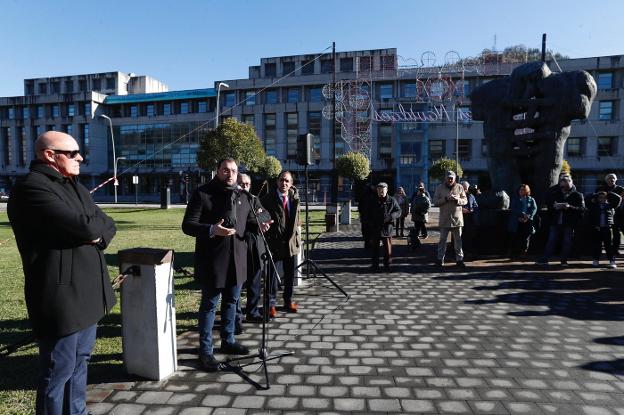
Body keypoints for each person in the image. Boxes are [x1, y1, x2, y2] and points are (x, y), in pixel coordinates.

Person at [8, 131, 117, 415]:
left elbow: (106, 225)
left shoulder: (74, 185)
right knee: (57, 374)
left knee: (80, 364)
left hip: (88, 296)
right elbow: (90, 227)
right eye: (72, 153)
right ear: (49, 155)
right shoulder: (31, 189)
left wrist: (94, 231)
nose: (80, 158)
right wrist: (92, 229)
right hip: (61, 299)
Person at [182, 158, 273, 372]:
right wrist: (212, 230)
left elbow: (259, 215)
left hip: (237, 260)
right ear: (217, 171)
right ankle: (205, 351)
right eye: (225, 170)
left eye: (233, 171)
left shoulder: (244, 196)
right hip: (213, 260)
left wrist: (262, 224)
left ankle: (228, 340)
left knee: (232, 302)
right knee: (210, 305)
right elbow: (188, 225)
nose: (230, 174)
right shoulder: (203, 193)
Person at [260, 171, 302, 317]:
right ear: (277, 181)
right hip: (274, 243)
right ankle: (270, 304)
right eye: (281, 180)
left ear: (291, 184)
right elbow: (262, 218)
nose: (283, 183)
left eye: (287, 181)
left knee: (290, 274)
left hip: (291, 243)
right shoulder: (267, 199)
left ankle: (288, 301)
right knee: (271, 276)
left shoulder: (295, 198)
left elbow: (296, 218)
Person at [235, 174, 271, 327]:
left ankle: (253, 311)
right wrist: (255, 218)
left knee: (255, 280)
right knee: (237, 283)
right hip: (239, 246)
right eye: (242, 183)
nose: (245, 187)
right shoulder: (233, 199)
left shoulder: (254, 199)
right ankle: (235, 318)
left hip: (255, 246)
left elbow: (266, 215)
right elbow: (239, 220)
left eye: (248, 184)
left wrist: (259, 218)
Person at [536, 174, 585, 266]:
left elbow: (582, 209)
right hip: (555, 221)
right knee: (551, 240)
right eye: (563, 182)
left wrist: (569, 207)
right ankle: (545, 259)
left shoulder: (578, 195)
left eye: (568, 182)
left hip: (569, 223)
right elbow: (548, 205)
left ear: (571, 182)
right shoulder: (554, 193)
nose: (565, 184)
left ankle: (564, 260)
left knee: (567, 241)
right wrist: (554, 206)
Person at [433, 171, 468, 267]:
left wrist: (458, 199)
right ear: (445, 178)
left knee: (458, 241)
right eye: (448, 178)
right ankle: (440, 259)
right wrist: (445, 199)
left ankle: (459, 260)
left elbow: (465, 200)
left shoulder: (460, 187)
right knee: (442, 241)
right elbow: (435, 202)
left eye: (452, 178)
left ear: (455, 178)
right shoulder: (439, 188)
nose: (450, 180)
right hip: (444, 219)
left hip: (457, 220)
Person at [365, 182, 401, 271]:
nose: (380, 192)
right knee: (375, 248)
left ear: (387, 190)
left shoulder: (392, 200)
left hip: (387, 228)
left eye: (382, 190)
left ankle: (387, 265)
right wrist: (370, 223)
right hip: (375, 227)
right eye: (378, 190)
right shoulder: (372, 200)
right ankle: (375, 265)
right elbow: (367, 213)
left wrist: (391, 216)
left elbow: (398, 211)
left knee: (387, 249)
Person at [586, 190, 621, 268]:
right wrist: (595, 194)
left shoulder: (610, 206)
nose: (602, 199)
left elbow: (618, 198)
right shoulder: (593, 206)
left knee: (608, 245)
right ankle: (596, 260)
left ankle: (612, 260)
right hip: (597, 228)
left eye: (604, 198)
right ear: (597, 198)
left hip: (607, 228)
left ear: (606, 198)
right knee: (597, 245)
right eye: (600, 198)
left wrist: (609, 193)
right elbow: (587, 199)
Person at [507, 184, 538, 257]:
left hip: (527, 221)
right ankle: (511, 251)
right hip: (517, 220)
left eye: (523, 190)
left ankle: (524, 252)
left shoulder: (531, 199)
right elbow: (513, 209)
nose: (521, 191)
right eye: (520, 190)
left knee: (526, 237)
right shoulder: (515, 199)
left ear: (527, 191)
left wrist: (528, 216)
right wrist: (521, 214)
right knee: (514, 236)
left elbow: (534, 208)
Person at [597, 173, 624, 255]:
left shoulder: (621, 189)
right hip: (605, 214)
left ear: (616, 180)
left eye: (613, 178)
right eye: (609, 178)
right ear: (606, 180)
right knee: (604, 233)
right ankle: (602, 250)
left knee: (617, 232)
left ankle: (615, 249)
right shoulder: (601, 189)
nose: (611, 180)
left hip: (619, 213)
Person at [460, 181, 479, 259]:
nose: (464, 190)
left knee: (469, 236)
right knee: (460, 237)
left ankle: (468, 252)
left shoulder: (471, 196)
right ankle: (460, 253)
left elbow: (476, 206)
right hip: (460, 219)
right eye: (463, 188)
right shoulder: (457, 196)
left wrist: (472, 209)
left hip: (469, 219)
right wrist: (461, 209)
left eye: (465, 188)